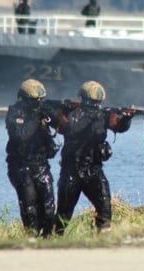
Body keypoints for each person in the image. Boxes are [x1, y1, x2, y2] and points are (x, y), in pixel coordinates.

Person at [54, 80, 134, 234]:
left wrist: (126, 118)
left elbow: (118, 127)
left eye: (97, 102)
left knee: (104, 206)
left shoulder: (103, 115)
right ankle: (53, 240)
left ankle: (103, 237)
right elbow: (70, 128)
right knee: (64, 213)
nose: (96, 105)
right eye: (93, 101)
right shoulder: (71, 114)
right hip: (72, 171)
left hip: (94, 170)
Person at [5, 79, 60, 237]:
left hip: (41, 165)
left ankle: (48, 237)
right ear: (24, 98)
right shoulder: (15, 113)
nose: (38, 103)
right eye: (35, 100)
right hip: (21, 167)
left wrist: (54, 116)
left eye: (40, 100)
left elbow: (59, 125)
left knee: (48, 208)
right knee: (30, 207)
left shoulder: (42, 112)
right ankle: (32, 237)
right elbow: (21, 135)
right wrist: (37, 117)